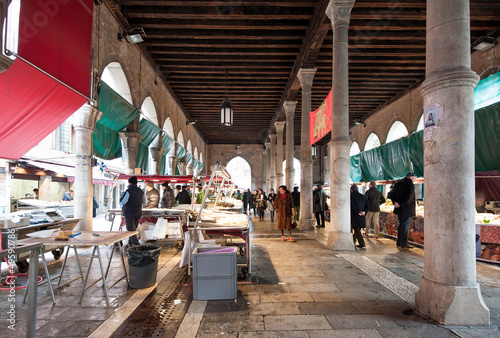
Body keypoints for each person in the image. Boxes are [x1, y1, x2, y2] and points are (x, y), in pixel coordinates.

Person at [392, 172, 417, 249]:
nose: (415, 179)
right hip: (407, 208)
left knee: (401, 225)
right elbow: (409, 196)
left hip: (399, 209)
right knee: (405, 225)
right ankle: (404, 243)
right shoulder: (409, 184)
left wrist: (395, 202)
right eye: (415, 178)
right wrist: (401, 203)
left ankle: (399, 241)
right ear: (411, 177)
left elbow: (391, 194)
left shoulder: (398, 183)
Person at [120, 176, 146, 246]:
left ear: (129, 183)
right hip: (138, 213)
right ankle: (130, 244)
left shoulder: (129, 191)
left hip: (129, 213)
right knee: (133, 229)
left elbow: (123, 202)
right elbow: (144, 201)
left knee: (130, 230)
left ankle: (136, 246)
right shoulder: (141, 191)